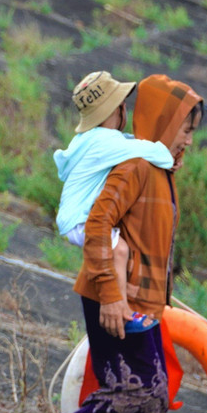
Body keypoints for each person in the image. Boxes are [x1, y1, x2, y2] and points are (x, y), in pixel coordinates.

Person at [31, 74, 204, 413]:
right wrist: (111, 296)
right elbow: (97, 226)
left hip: (143, 301)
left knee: (156, 390)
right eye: (185, 129)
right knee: (133, 388)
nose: (189, 140)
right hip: (113, 297)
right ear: (165, 123)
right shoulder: (135, 167)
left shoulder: (160, 170)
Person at [54, 71, 173, 307]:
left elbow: (124, 142)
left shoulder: (87, 139)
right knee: (120, 251)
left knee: (117, 249)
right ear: (116, 110)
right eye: (122, 104)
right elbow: (161, 156)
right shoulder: (104, 142)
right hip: (78, 221)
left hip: (70, 218)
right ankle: (120, 306)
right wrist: (170, 155)